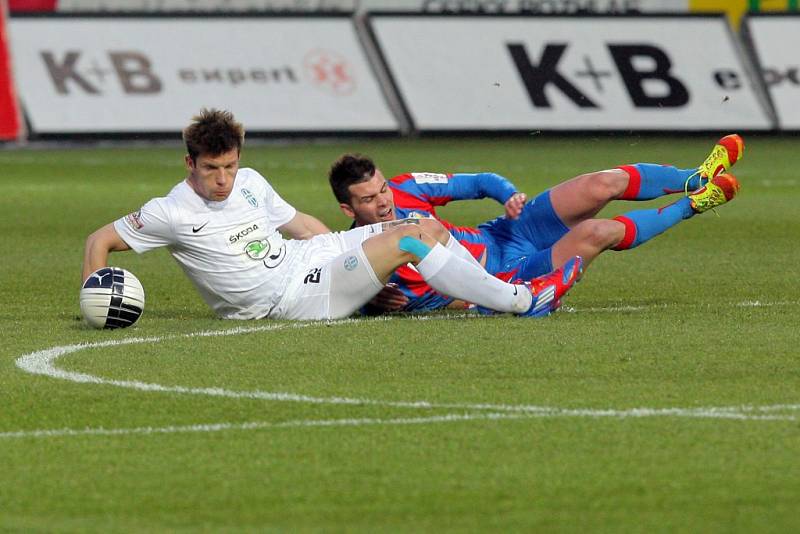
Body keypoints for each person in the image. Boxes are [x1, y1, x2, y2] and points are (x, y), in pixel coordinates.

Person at [82, 108, 583, 322]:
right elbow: (98, 239)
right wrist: (94, 293)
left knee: (425, 227)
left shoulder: (251, 182)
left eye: (230, 166)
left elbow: (305, 228)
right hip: (287, 300)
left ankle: (488, 298)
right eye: (211, 169)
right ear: (189, 162)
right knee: (408, 242)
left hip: (309, 261)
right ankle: (518, 301)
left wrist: (357, 263)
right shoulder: (169, 212)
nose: (223, 179)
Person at [328, 135, 743, 312]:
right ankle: (693, 205)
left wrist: (507, 194)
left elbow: (479, 181)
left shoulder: (406, 188)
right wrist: (370, 300)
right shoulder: (362, 256)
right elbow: (337, 295)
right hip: (508, 276)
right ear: (349, 210)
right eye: (369, 199)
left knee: (600, 185)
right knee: (597, 232)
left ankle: (694, 177)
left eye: (382, 189)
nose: (384, 202)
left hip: (506, 232)